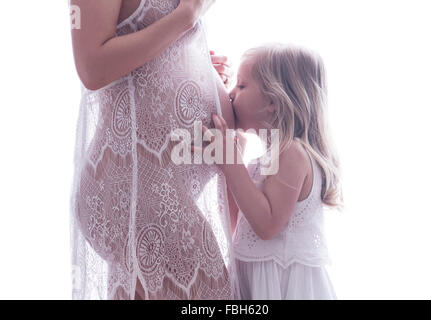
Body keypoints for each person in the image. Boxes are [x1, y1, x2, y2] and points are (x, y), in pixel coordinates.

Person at [69, 0, 239, 299]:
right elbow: (92, 67)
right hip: (132, 184)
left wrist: (190, 64)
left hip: (158, 185)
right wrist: (186, 17)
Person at [196, 43, 343, 299]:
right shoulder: (268, 160)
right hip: (259, 282)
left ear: (273, 101)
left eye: (241, 86)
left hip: (285, 287)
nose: (231, 94)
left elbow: (267, 226)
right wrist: (234, 164)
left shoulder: (292, 154)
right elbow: (243, 226)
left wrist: (231, 163)